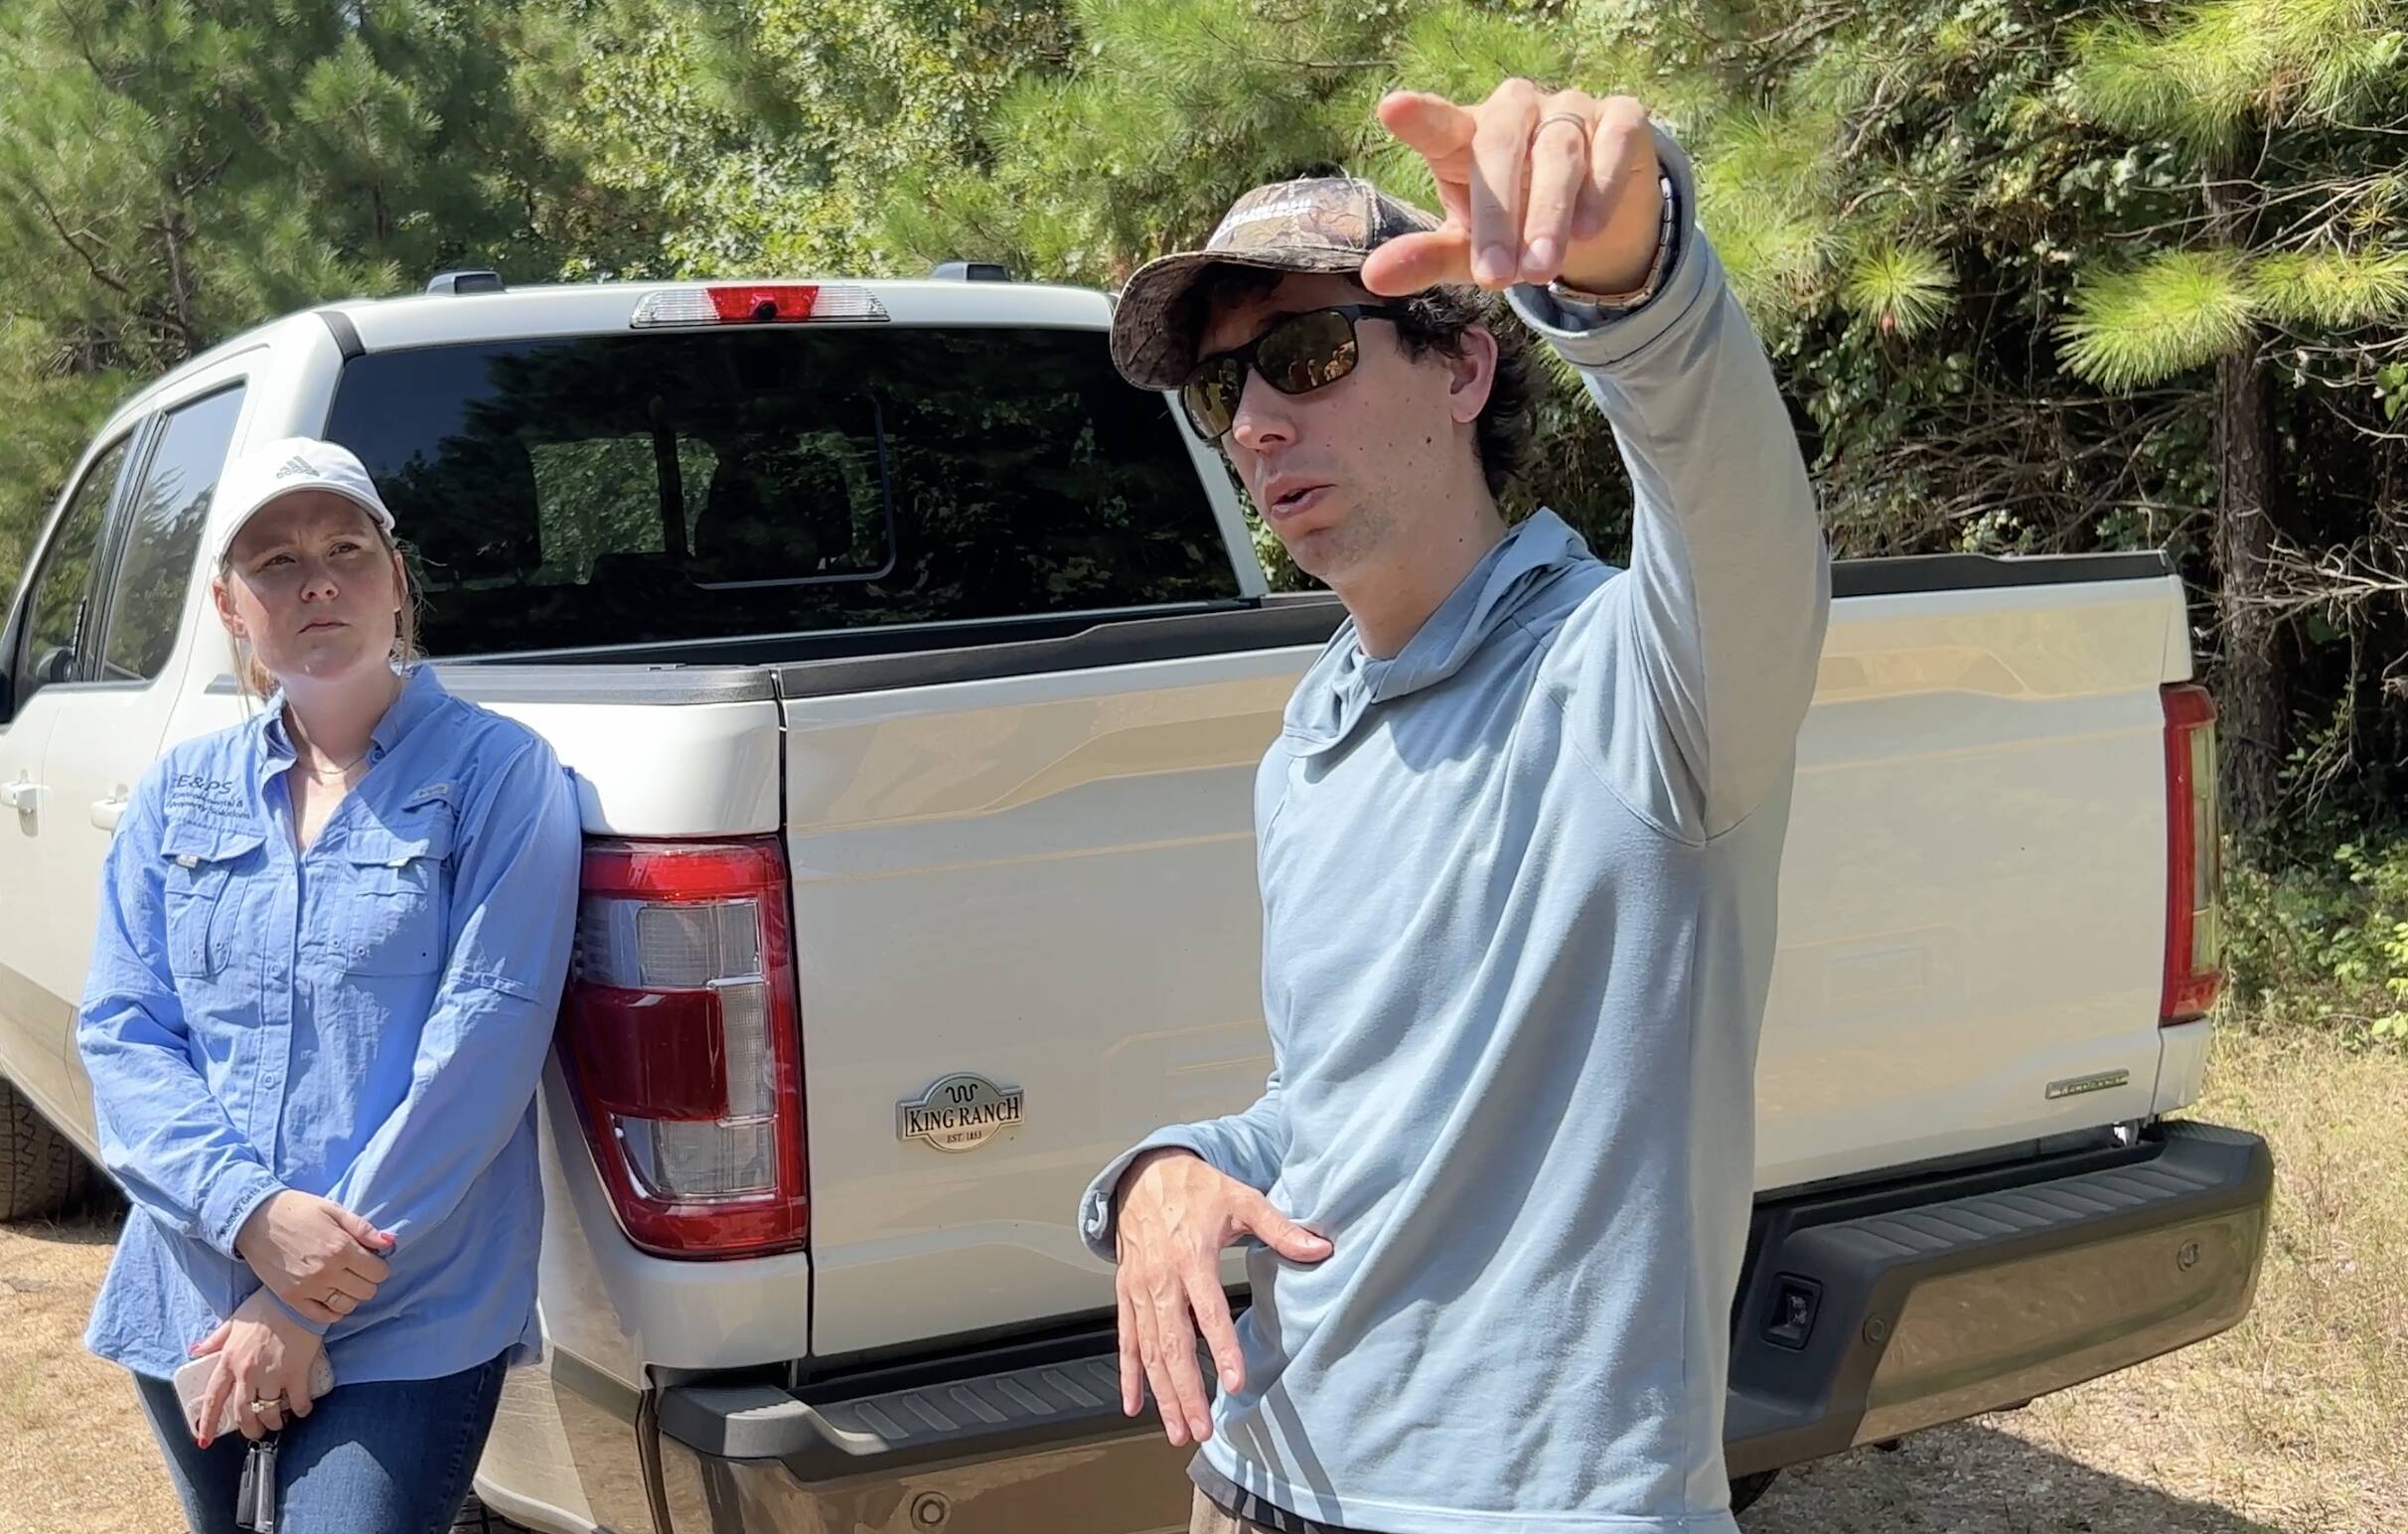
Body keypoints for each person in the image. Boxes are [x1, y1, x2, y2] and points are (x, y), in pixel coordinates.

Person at [1077, 78, 1832, 1534]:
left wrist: (1636, 276)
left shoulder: (1646, 684)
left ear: (1465, 371)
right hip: (1251, 1478)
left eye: (1302, 354)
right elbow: (1338, 1111)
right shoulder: (1309, 742)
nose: (1254, 426)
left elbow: (1725, 487)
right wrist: (1175, 1170)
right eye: (1224, 388)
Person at [75, 437, 584, 1534]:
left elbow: (485, 1039)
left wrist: (307, 1286)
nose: (316, 579)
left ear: (396, 578)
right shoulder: (181, 792)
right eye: (275, 560)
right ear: (228, 603)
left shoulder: (502, 775)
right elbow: (124, 1029)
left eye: (346, 547)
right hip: (197, 1286)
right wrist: (251, 1217)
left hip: (411, 1299)